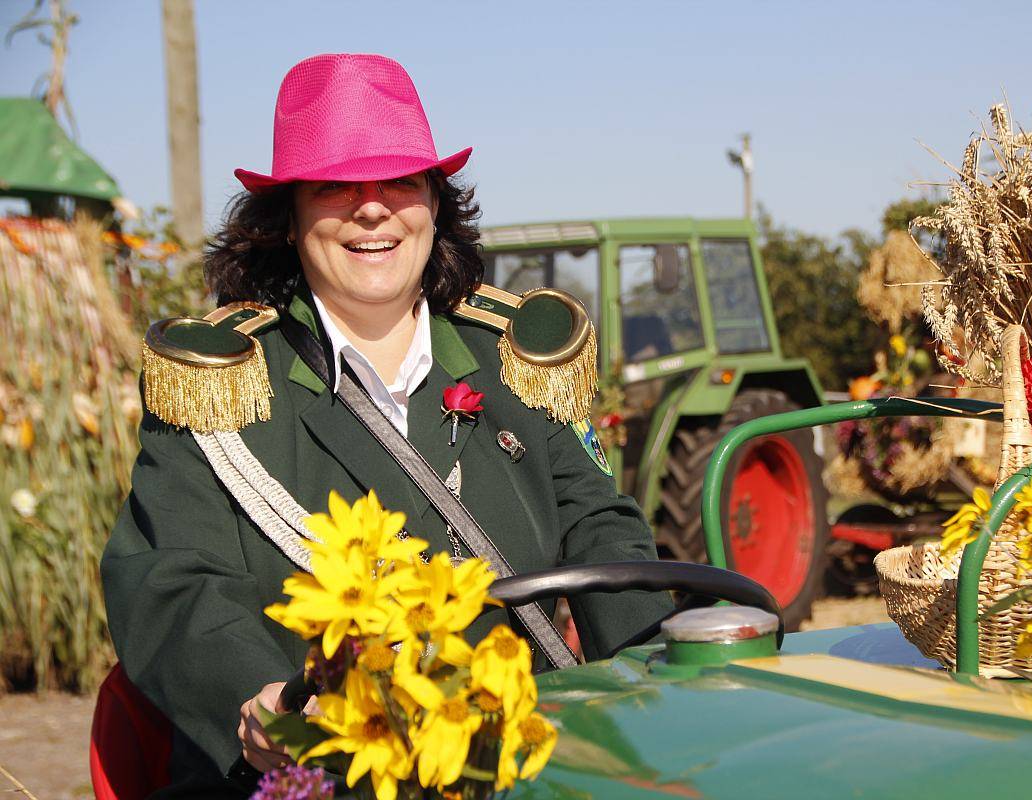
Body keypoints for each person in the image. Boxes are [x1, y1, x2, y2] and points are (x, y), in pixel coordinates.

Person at [101, 53, 672, 798]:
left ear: (434, 204)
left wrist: (663, 678)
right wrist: (259, 701)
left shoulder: (515, 363)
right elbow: (167, 581)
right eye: (336, 187)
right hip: (312, 774)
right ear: (289, 218)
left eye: (401, 181)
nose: (373, 210)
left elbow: (604, 536)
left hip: (506, 769)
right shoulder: (218, 382)